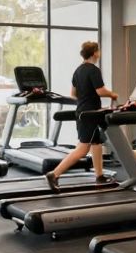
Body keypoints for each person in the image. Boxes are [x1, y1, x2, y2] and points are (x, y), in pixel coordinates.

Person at [46, 41, 119, 190]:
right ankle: (54, 174)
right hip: (89, 113)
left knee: (96, 143)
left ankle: (99, 176)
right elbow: (100, 91)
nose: (99, 54)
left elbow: (73, 94)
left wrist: (86, 99)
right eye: (98, 51)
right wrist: (113, 95)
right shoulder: (93, 70)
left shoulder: (77, 70)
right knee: (83, 149)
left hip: (84, 111)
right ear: (95, 53)